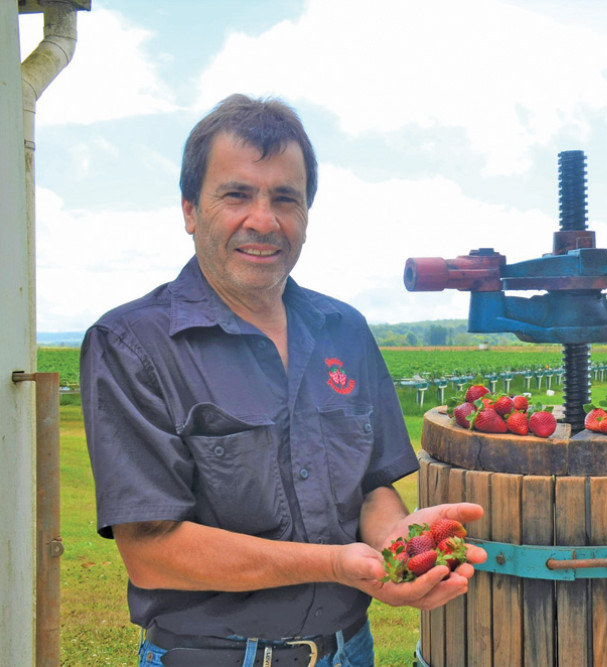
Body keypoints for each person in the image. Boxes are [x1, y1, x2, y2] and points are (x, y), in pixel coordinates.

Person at [80, 94, 485, 667]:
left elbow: (373, 487)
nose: (264, 221)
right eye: (237, 194)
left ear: (306, 216)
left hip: (350, 652)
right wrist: (338, 563)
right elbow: (152, 551)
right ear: (190, 210)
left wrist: (395, 541)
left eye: (285, 199)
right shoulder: (133, 344)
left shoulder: (343, 329)